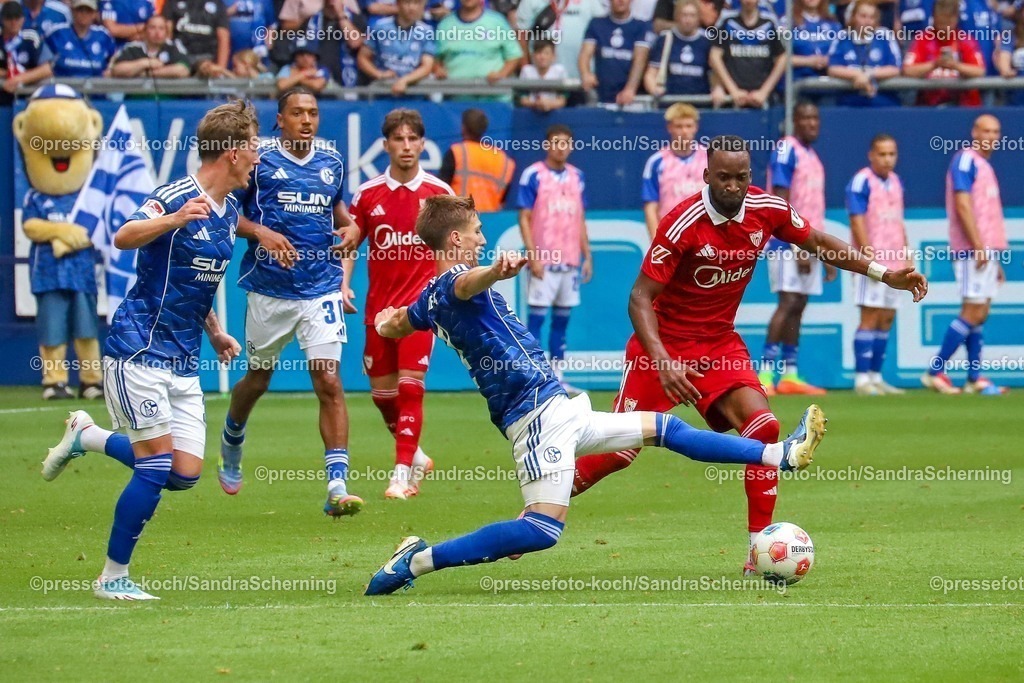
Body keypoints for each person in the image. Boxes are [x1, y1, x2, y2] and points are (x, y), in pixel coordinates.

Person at [363, 194, 828, 595]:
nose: (483, 238)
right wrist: (494, 271)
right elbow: (467, 283)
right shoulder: (453, 283)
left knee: (664, 428)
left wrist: (389, 320)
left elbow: (401, 321)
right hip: (534, 418)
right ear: (455, 242)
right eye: (478, 232)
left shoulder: (428, 298)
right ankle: (417, 561)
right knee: (540, 530)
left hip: (555, 406)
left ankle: (777, 454)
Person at [571, 135, 927, 571]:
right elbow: (639, 298)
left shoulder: (768, 210)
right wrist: (663, 361)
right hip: (663, 349)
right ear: (707, 176)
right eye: (724, 177)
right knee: (617, 452)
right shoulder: (682, 223)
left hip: (720, 343)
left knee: (764, 427)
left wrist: (883, 273)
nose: (733, 186)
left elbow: (816, 239)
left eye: (741, 177)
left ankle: (759, 552)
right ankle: (541, 506)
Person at [41, 100, 259, 600]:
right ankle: (112, 577)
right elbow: (123, 236)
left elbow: (190, 284)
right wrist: (175, 218)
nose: (257, 157)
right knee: (155, 466)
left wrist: (215, 330)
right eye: (252, 146)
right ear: (229, 152)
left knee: (183, 474)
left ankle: (87, 435)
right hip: (138, 350)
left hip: (183, 360)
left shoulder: (229, 214)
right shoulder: (176, 195)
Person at [218, 88, 363, 516]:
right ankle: (232, 437)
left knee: (330, 383)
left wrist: (353, 229)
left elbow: (341, 215)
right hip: (269, 292)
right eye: (297, 113)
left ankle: (337, 486)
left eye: (313, 113)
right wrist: (260, 232)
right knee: (257, 381)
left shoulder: (331, 163)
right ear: (279, 119)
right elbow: (229, 214)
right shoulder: (259, 161)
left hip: (320, 290)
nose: (306, 120)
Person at [343, 109, 454, 500]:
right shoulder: (367, 194)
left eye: (413, 139)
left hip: (420, 310)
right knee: (382, 396)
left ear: (422, 144)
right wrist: (343, 285)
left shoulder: (439, 194)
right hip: (378, 310)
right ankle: (418, 456)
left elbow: (457, 246)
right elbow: (349, 243)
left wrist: (449, 290)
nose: (406, 147)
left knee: (411, 389)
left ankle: (401, 475)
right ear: (386, 144)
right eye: (398, 139)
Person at [923, 115, 1008, 395]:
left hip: (985, 250)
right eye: (985, 130)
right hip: (973, 249)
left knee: (980, 312)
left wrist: (993, 254)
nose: (991, 136)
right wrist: (979, 245)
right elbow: (962, 204)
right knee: (972, 310)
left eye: (996, 131)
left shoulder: (984, 166)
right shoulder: (965, 161)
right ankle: (935, 371)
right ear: (974, 132)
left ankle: (975, 377)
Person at [759, 102, 834, 396]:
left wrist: (823, 251)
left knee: (799, 305)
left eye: (815, 118)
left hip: (809, 241)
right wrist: (796, 243)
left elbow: (814, 207)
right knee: (787, 301)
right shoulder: (785, 149)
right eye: (805, 118)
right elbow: (780, 196)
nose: (812, 123)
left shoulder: (813, 157)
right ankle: (765, 374)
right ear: (794, 122)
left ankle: (789, 375)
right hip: (785, 241)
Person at [517, 124, 593, 396]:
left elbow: (580, 217)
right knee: (537, 318)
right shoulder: (533, 175)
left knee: (562, 320)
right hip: (544, 261)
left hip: (570, 260)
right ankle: (532, 375)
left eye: (566, 143)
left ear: (571, 146)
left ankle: (557, 376)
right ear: (547, 145)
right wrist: (532, 255)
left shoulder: (578, 177)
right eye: (556, 142)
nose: (561, 148)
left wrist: (587, 254)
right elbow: (524, 217)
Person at [845, 134, 910, 395]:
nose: (887, 159)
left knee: (887, 317)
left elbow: (898, 221)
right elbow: (857, 219)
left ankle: (876, 375)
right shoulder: (862, 181)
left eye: (892, 154)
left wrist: (906, 253)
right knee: (870, 316)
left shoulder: (896, 182)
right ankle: (861, 378)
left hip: (895, 260)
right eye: (882, 154)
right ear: (871, 155)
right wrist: (867, 256)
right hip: (871, 262)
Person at [640, 103, 707, 239]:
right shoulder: (657, 162)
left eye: (688, 126)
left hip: (705, 238)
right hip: (671, 238)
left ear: (696, 127)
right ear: (669, 128)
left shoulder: (710, 158)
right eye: (679, 126)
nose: (684, 131)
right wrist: (657, 244)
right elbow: (650, 207)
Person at [902, 0, 985, 107]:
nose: (943, 29)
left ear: (955, 19)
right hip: (930, 106)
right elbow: (907, 70)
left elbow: (979, 71)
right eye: (940, 23)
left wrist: (955, 66)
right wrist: (934, 64)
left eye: (946, 24)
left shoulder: (966, 40)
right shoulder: (923, 39)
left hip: (963, 107)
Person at [709, 0, 785, 108]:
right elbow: (715, 56)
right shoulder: (727, 22)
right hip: (732, 99)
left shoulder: (769, 23)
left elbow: (782, 58)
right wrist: (733, 90)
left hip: (762, 99)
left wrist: (764, 91)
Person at [826, 1, 902, 107]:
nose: (867, 21)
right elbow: (833, 68)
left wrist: (868, 75)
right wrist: (858, 75)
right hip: (848, 102)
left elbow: (895, 69)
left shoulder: (885, 35)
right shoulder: (842, 36)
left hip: (883, 101)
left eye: (872, 17)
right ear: (853, 17)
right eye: (863, 16)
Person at [439, 108, 516, 213]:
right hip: (491, 222)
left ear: (463, 127)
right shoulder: (504, 160)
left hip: (459, 219)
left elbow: (441, 190)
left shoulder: (457, 152)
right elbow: (504, 199)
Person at [580, 0, 654, 106]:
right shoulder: (596, 24)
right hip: (600, 96)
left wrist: (630, 89)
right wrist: (585, 73)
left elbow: (640, 60)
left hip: (630, 99)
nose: (620, 1)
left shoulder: (642, 26)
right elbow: (585, 54)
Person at [434, 0, 522, 87]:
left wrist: (501, 74)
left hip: (494, 96)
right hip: (457, 96)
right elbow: (436, 58)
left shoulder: (497, 21)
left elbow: (514, 55)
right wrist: (438, 70)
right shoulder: (445, 25)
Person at [357, 0, 435, 95]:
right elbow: (362, 58)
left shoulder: (426, 31)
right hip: (383, 93)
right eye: (407, 3)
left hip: (414, 95)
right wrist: (379, 74)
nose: (411, 7)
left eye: (416, 3)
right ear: (398, 4)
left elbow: (427, 66)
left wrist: (405, 81)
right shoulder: (380, 27)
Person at [515, 0, 607, 80]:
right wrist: (526, 69)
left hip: (582, 77)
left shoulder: (591, 2)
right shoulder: (529, 2)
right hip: (542, 78)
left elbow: (604, 30)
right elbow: (521, 35)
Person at [644, 0, 711, 100]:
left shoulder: (707, 41)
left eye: (692, 15)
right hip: (668, 102)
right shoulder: (665, 39)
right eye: (684, 15)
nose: (688, 20)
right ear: (677, 16)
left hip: (700, 103)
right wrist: (654, 90)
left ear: (698, 18)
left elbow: (714, 75)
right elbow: (651, 73)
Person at [41, 0, 117, 78]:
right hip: (63, 85)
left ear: (95, 13)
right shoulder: (57, 33)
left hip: (95, 86)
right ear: (72, 11)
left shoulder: (103, 35)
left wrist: (110, 70)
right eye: (80, 10)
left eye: (88, 11)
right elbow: (42, 58)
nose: (84, 14)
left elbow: (114, 58)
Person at [163, 0, 231, 77]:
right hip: (179, 55)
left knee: (207, 69)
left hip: (206, 56)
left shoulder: (218, 4)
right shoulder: (173, 2)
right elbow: (166, 34)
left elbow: (223, 38)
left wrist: (220, 69)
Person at [108, 15, 191, 78]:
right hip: (136, 99)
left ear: (166, 32)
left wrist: (147, 73)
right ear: (145, 31)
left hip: (168, 99)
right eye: (152, 28)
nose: (157, 32)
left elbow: (183, 70)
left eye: (161, 28)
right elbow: (117, 70)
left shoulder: (174, 48)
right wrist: (146, 63)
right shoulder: (132, 48)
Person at [1, 2, 50, 98]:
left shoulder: (32, 37)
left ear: (23, 19)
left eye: (17, 18)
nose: (13, 22)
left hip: (28, 96)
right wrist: (7, 73)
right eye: (9, 18)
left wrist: (19, 78)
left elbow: (47, 69)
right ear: (2, 20)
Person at [518, 39, 568, 111]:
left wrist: (549, 105)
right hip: (531, 112)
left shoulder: (560, 71)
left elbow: (562, 100)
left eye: (546, 53)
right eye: (539, 53)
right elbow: (523, 99)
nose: (542, 57)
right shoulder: (526, 71)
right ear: (533, 55)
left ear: (554, 56)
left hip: (554, 112)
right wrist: (537, 104)